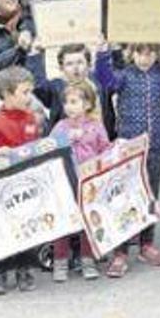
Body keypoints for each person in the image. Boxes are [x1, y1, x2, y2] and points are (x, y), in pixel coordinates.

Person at [95, 41, 160, 271]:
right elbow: (106, 80)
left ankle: (146, 243)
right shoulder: (124, 76)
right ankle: (121, 251)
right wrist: (103, 53)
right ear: (131, 54)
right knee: (125, 196)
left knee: (151, 194)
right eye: (139, 53)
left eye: (150, 53)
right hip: (129, 147)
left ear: (157, 54)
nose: (145, 58)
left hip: (157, 145)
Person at [50, 81, 109, 280]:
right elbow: (48, 151)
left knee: (88, 221)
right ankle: (60, 263)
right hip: (66, 182)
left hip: (88, 183)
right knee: (65, 222)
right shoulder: (60, 126)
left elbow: (104, 149)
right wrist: (64, 141)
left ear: (87, 104)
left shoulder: (96, 126)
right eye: (66, 102)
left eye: (74, 102)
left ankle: (88, 260)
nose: (69, 106)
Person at [0, 66, 41, 294]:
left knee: (25, 225)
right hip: (0, 186)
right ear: (8, 94)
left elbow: (36, 147)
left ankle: (24, 269)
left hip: (25, 183)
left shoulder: (31, 119)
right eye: (25, 92)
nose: (30, 97)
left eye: (30, 91)